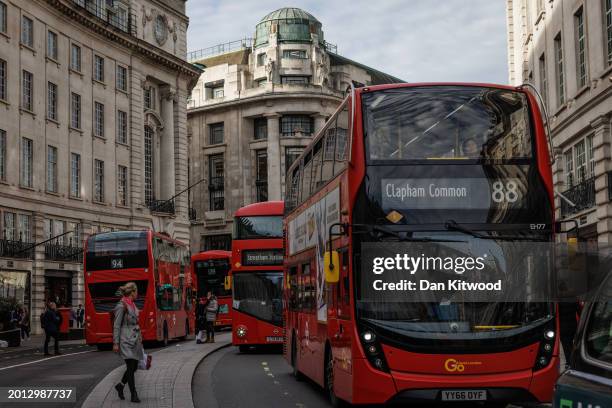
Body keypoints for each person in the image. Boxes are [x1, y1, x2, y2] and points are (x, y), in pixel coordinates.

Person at [113, 282, 143, 403]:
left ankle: (120, 386)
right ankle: (133, 394)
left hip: (135, 339)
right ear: (132, 292)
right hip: (125, 339)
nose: (137, 293)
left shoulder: (133, 304)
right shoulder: (121, 306)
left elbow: (136, 322)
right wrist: (115, 342)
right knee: (130, 367)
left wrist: (140, 336)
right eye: (136, 291)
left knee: (134, 366)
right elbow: (116, 325)